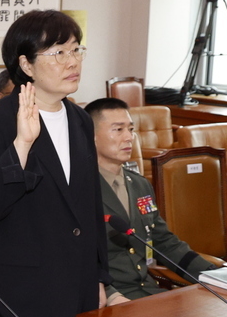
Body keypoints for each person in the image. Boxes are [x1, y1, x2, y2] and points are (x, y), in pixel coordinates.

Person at [0, 9, 124, 317]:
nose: (72, 62)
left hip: (78, 286)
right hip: (23, 293)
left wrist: (98, 277)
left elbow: (90, 206)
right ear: (26, 65)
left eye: (76, 49)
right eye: (58, 53)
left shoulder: (80, 119)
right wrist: (22, 145)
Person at [87, 98, 219, 299]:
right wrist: (111, 295)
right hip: (108, 299)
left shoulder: (139, 185)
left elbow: (163, 242)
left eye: (131, 129)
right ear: (91, 136)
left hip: (146, 291)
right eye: (118, 129)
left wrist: (214, 276)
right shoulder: (80, 189)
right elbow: (75, 259)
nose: (129, 137)